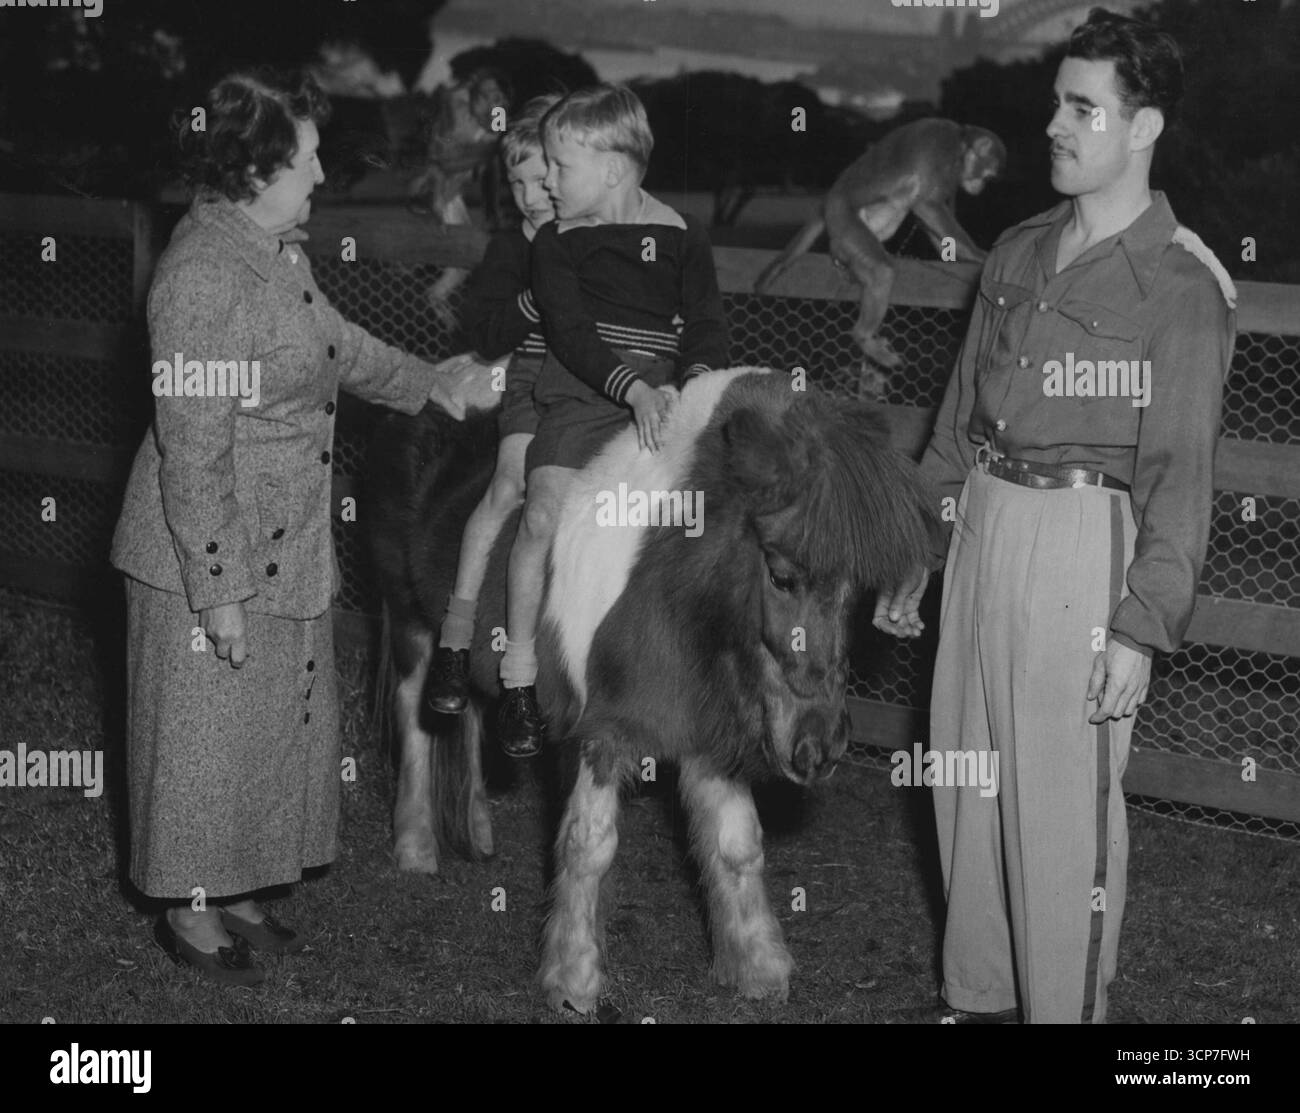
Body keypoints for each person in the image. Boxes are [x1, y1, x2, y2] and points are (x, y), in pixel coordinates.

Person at [873, 8, 1236, 1024]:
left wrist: (1137, 626)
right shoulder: (1017, 254)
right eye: (1056, 103)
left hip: (1085, 545)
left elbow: (1178, 477)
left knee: (1058, 814)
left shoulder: (1179, 284)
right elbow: (955, 424)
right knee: (967, 785)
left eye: (1084, 108)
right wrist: (920, 545)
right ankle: (978, 998)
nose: (1056, 126)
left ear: (1143, 126)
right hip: (984, 525)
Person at [111, 68, 496, 986]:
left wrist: (431, 381)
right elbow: (193, 449)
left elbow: (339, 347)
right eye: (311, 157)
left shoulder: (276, 249)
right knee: (202, 735)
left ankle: (240, 889)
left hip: (285, 533)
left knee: (263, 728)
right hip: (203, 546)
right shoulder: (200, 276)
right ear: (255, 170)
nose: (323, 174)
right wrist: (220, 587)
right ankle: (190, 905)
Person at [495, 84, 729, 755]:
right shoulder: (556, 243)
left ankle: (668, 675)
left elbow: (707, 324)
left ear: (614, 170)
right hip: (580, 390)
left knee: (678, 530)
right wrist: (631, 390)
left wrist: (690, 386)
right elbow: (568, 331)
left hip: (657, 397)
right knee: (542, 514)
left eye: (561, 168)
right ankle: (518, 674)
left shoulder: (683, 236)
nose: (548, 184)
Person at [426, 94, 559, 716]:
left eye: (544, 179)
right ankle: (455, 640)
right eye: (518, 181)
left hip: (586, 390)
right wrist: (530, 309)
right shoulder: (512, 249)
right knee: (507, 490)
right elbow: (483, 330)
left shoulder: (593, 239)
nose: (531, 195)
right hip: (523, 378)